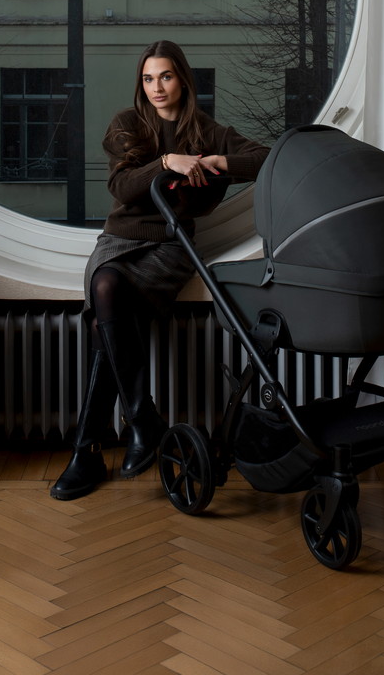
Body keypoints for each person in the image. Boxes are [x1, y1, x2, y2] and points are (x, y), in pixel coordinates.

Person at [50, 39, 270, 500]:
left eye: (165, 76)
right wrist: (168, 162)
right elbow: (123, 187)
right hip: (119, 240)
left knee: (104, 317)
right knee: (105, 285)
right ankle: (140, 417)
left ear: (183, 80)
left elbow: (268, 158)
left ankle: (90, 450)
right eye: (148, 78)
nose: (157, 87)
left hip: (169, 246)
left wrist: (219, 161)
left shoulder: (206, 131)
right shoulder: (128, 124)